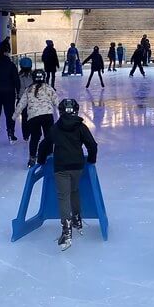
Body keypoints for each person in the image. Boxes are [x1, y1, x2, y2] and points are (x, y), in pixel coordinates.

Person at [37, 98, 98, 251]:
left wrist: (41, 160)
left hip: (61, 166)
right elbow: (92, 145)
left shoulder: (56, 128)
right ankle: (77, 218)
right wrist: (91, 160)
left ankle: (66, 227)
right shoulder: (80, 127)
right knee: (74, 190)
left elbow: (44, 145)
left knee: (63, 196)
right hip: (77, 166)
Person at [13, 69, 57, 167]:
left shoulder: (28, 89)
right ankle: (49, 156)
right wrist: (64, 113)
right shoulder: (48, 88)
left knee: (35, 137)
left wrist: (15, 116)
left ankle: (32, 158)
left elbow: (22, 103)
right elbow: (56, 101)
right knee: (49, 136)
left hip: (33, 117)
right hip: (47, 115)